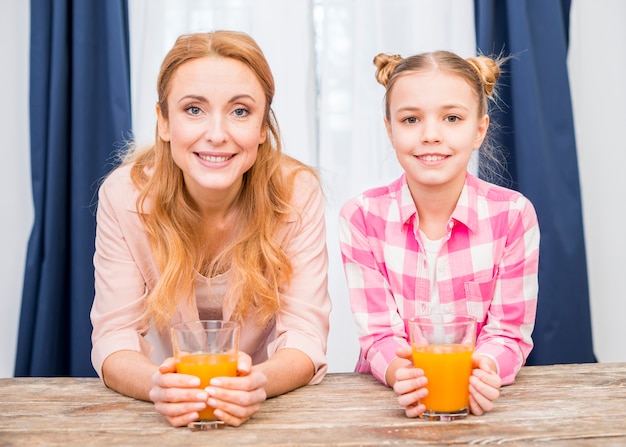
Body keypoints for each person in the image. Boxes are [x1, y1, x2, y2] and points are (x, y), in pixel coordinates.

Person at [91, 30, 331, 428]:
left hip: (263, 412)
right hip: (169, 406)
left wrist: (259, 381)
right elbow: (114, 338)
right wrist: (158, 384)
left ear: (263, 129)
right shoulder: (124, 196)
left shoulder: (297, 193)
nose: (217, 134)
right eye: (194, 110)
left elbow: (305, 335)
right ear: (164, 122)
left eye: (240, 111)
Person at [338, 50, 540, 418]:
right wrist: (405, 376)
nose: (431, 135)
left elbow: (509, 332)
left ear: (478, 130)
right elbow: (379, 335)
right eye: (411, 119)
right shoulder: (362, 217)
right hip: (387, 406)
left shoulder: (513, 216)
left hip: (478, 402)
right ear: (390, 129)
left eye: (451, 118)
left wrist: (485, 370)